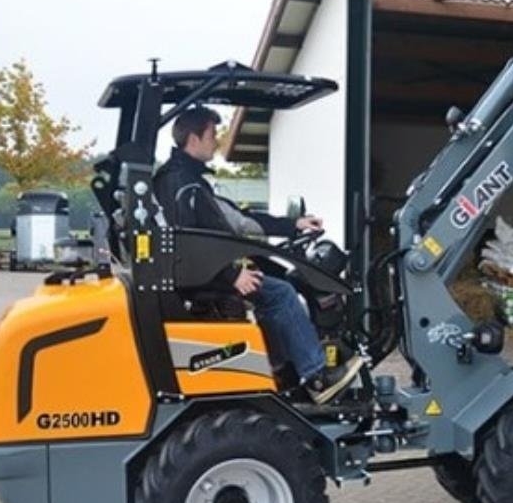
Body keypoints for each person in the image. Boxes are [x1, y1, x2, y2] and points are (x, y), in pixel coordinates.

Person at [153, 106, 361, 404]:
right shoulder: (185, 185)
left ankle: (277, 369)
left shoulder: (179, 179)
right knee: (282, 293)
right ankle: (316, 375)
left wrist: (293, 225)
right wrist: (232, 274)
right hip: (199, 276)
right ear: (194, 139)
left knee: (269, 280)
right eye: (212, 134)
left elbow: (236, 220)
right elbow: (193, 238)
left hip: (195, 271)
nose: (217, 141)